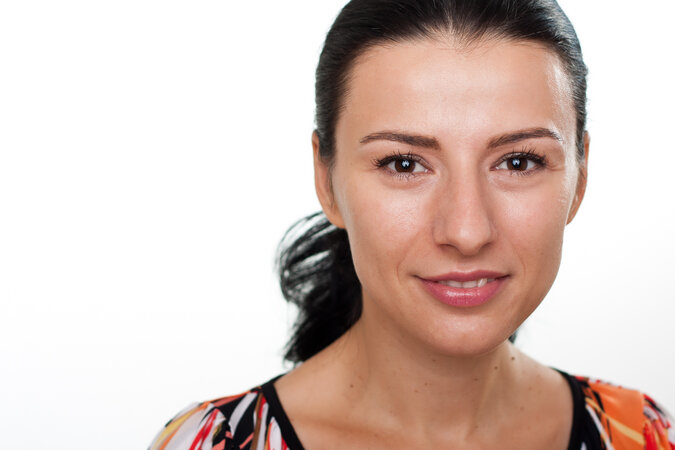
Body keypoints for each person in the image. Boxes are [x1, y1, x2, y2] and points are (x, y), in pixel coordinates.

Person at [149, 0, 673, 448]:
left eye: (518, 162)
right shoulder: (213, 443)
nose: (467, 232)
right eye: (404, 164)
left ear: (580, 176)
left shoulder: (641, 435)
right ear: (326, 181)